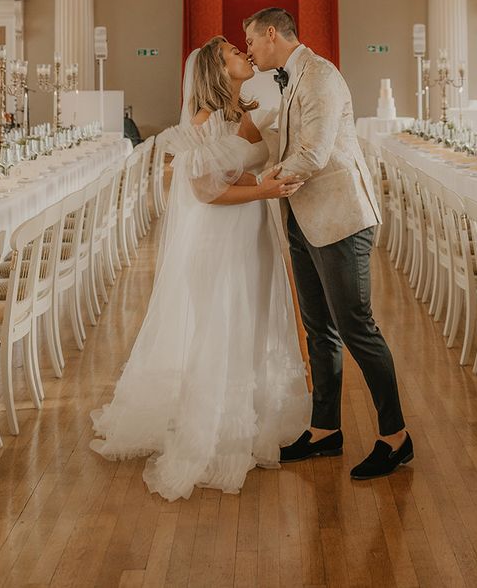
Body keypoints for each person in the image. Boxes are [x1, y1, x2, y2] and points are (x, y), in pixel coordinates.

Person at [90, 36, 311, 501]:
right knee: (221, 325)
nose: (244, 55)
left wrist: (264, 183)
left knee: (249, 321)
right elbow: (208, 191)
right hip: (220, 235)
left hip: (252, 231)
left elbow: (240, 171)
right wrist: (265, 192)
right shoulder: (203, 123)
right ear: (217, 69)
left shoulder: (243, 113)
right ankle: (215, 431)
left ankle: (250, 418)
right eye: (234, 52)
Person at [244, 7, 413, 480]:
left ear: (272, 34)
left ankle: (396, 438)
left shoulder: (320, 75)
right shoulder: (289, 78)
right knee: (318, 330)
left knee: (357, 327)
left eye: (252, 41)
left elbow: (314, 153)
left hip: (341, 219)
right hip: (302, 216)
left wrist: (260, 183)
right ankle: (325, 431)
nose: (251, 50)